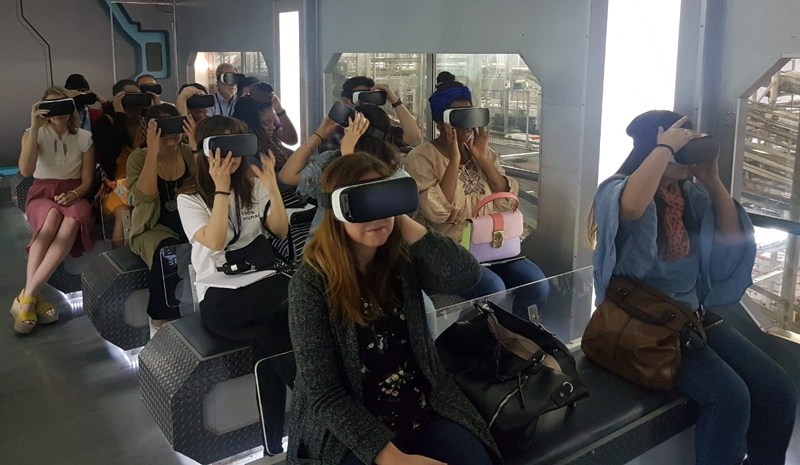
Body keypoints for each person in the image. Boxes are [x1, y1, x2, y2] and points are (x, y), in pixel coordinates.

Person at [590, 110, 797, 465]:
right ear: (653, 149)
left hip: (691, 316)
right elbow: (632, 206)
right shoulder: (617, 188)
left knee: (777, 388)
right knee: (730, 398)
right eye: (681, 148)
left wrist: (712, 179)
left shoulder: (687, 195)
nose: (687, 156)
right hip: (643, 323)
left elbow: (731, 239)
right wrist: (664, 148)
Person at [286, 154, 501, 465]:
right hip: (350, 423)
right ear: (337, 210)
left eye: (385, 197)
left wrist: (398, 215)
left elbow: (466, 276)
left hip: (421, 404)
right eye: (364, 202)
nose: (377, 213)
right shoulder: (311, 282)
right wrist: (394, 458)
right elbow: (324, 394)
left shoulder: (403, 259)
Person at [177, 115, 295, 451]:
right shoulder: (190, 198)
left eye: (240, 143)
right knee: (283, 311)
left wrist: (272, 187)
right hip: (219, 296)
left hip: (260, 284)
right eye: (225, 146)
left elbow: (280, 230)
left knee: (272, 333)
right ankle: (315, 405)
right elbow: (214, 241)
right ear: (207, 151)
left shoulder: (253, 184)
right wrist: (222, 188)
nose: (234, 156)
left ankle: (278, 436)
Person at [405, 72, 548, 317]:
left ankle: (520, 338)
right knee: (494, 289)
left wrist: (483, 159)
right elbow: (438, 213)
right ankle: (483, 343)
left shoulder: (482, 152)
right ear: (442, 122)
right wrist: (454, 159)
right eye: (460, 117)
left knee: (537, 285)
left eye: (471, 114)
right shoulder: (421, 157)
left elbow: (506, 203)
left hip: (493, 244)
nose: (469, 125)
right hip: (449, 249)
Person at [14, 86, 96, 334]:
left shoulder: (84, 137)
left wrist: (73, 194)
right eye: (49, 106)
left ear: (71, 107)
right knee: (51, 217)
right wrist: (35, 125)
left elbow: (87, 181)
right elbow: (27, 171)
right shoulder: (33, 134)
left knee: (71, 221)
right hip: (42, 192)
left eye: (62, 105)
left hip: (74, 193)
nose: (56, 112)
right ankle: (31, 297)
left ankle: (27, 297)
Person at [280, 105, 407, 242]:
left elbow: (366, 208)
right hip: (326, 247)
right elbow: (287, 176)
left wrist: (348, 158)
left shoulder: (394, 174)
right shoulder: (330, 161)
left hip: (370, 251)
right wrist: (320, 134)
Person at [127, 104, 196, 334]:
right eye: (164, 127)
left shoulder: (186, 152)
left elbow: (204, 187)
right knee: (168, 251)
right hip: (151, 226)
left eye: (176, 125)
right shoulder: (138, 158)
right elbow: (145, 196)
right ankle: (158, 320)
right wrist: (152, 151)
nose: (172, 133)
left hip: (187, 220)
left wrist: (196, 147)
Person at [92, 79, 154, 248]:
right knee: (124, 212)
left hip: (145, 178)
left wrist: (154, 108)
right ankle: (123, 260)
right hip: (115, 184)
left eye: (137, 98)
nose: (134, 105)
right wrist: (119, 115)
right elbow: (108, 151)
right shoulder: (104, 123)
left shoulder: (147, 123)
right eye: (128, 99)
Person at [318, 76, 422, 152]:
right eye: (361, 96)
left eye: (370, 96)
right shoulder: (335, 132)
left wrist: (394, 100)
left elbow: (413, 136)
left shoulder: (378, 128)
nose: (367, 101)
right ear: (346, 101)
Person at [231, 95, 292, 171]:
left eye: (273, 121)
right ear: (251, 124)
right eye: (267, 123)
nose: (273, 127)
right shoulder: (248, 156)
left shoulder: (269, 143)